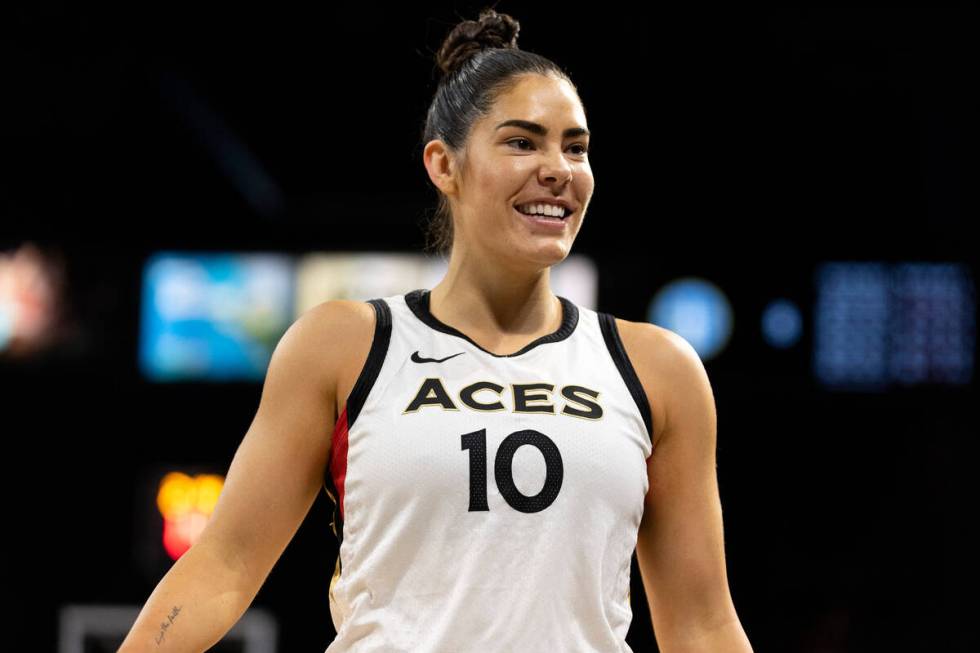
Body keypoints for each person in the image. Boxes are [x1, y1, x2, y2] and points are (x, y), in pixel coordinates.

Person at [119, 7, 752, 653]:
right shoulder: (345, 345)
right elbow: (223, 567)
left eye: (576, 146)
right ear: (443, 165)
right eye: (522, 141)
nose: (559, 167)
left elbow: (701, 623)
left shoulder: (656, 367)